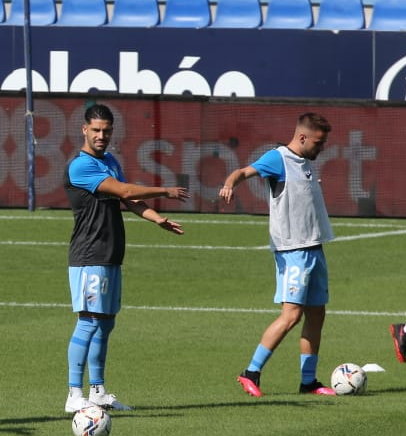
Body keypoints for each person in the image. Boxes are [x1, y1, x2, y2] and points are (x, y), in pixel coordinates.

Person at [63, 104, 189, 413]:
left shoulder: (110, 161)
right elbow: (125, 189)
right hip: (88, 254)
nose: (101, 136)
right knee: (88, 322)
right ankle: (73, 394)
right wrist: (166, 191)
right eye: (96, 130)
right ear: (84, 130)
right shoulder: (81, 166)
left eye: (106, 130)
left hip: (110, 253)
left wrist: (157, 219)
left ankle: (97, 391)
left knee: (105, 324)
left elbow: (128, 200)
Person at [220, 112, 336, 397]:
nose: (321, 148)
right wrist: (229, 184)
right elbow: (244, 172)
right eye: (318, 143)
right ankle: (251, 372)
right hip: (292, 250)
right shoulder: (279, 158)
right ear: (302, 137)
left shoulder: (306, 162)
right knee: (290, 316)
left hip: (314, 247)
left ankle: (308, 381)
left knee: (317, 314)